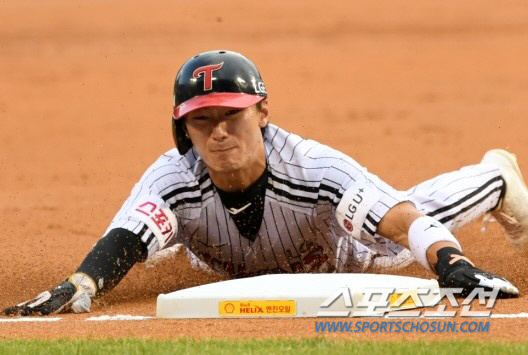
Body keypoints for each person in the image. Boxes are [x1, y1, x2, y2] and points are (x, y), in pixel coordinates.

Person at [4, 50, 526, 316]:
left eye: (232, 114)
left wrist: (453, 264)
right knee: (155, 243)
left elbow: (402, 220)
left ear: (263, 112)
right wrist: (81, 285)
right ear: (182, 126)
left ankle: (493, 179)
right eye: (202, 119)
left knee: (410, 218)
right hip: (225, 256)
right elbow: (124, 238)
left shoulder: (314, 167)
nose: (219, 130)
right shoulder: (173, 176)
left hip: (345, 255)